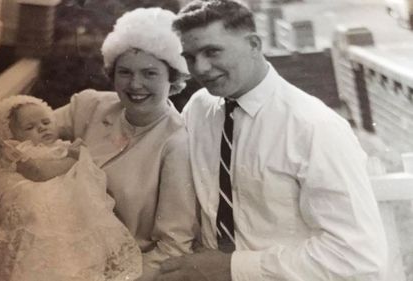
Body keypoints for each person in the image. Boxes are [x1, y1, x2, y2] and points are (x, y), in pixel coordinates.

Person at [156, 0, 388, 280]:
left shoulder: (314, 126)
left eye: (212, 51)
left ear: (254, 44)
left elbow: (357, 254)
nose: (201, 68)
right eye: (190, 57)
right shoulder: (199, 109)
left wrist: (232, 268)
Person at [16, 7, 198, 280]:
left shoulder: (177, 143)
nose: (135, 84)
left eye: (150, 73)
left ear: (172, 78)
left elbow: (173, 247)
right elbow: (21, 133)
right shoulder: (90, 106)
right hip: (52, 253)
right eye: (125, 72)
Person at [0, 95, 142, 281]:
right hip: (41, 211)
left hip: (71, 211)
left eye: (45, 122)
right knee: (39, 242)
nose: (41, 129)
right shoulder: (20, 151)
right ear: (12, 136)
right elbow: (38, 173)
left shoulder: (62, 147)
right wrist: (73, 159)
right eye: (30, 127)